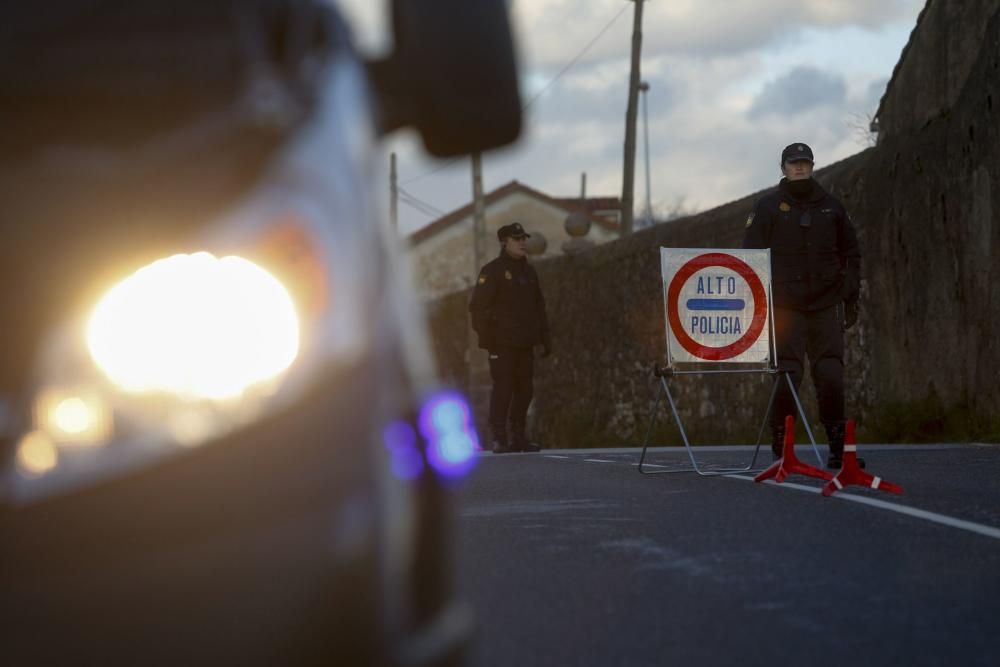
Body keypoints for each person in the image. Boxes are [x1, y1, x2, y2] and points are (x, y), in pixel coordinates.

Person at [742, 142, 863, 468]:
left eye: (805, 163)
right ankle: (782, 441)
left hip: (826, 304)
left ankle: (840, 448)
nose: (799, 168)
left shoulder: (833, 208)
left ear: (812, 166)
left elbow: (852, 254)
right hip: (785, 306)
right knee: (787, 373)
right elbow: (749, 259)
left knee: (831, 374)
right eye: (793, 163)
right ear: (783, 167)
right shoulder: (766, 208)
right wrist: (761, 306)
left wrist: (849, 296)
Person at [469, 222, 551, 453]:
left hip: (524, 343)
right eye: (517, 239)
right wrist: (487, 338)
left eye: (524, 238)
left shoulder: (529, 271)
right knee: (503, 387)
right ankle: (499, 437)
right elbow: (477, 308)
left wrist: (545, 338)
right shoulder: (492, 270)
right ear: (505, 242)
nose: (523, 242)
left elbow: (539, 307)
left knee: (525, 390)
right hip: (501, 343)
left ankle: (518, 436)